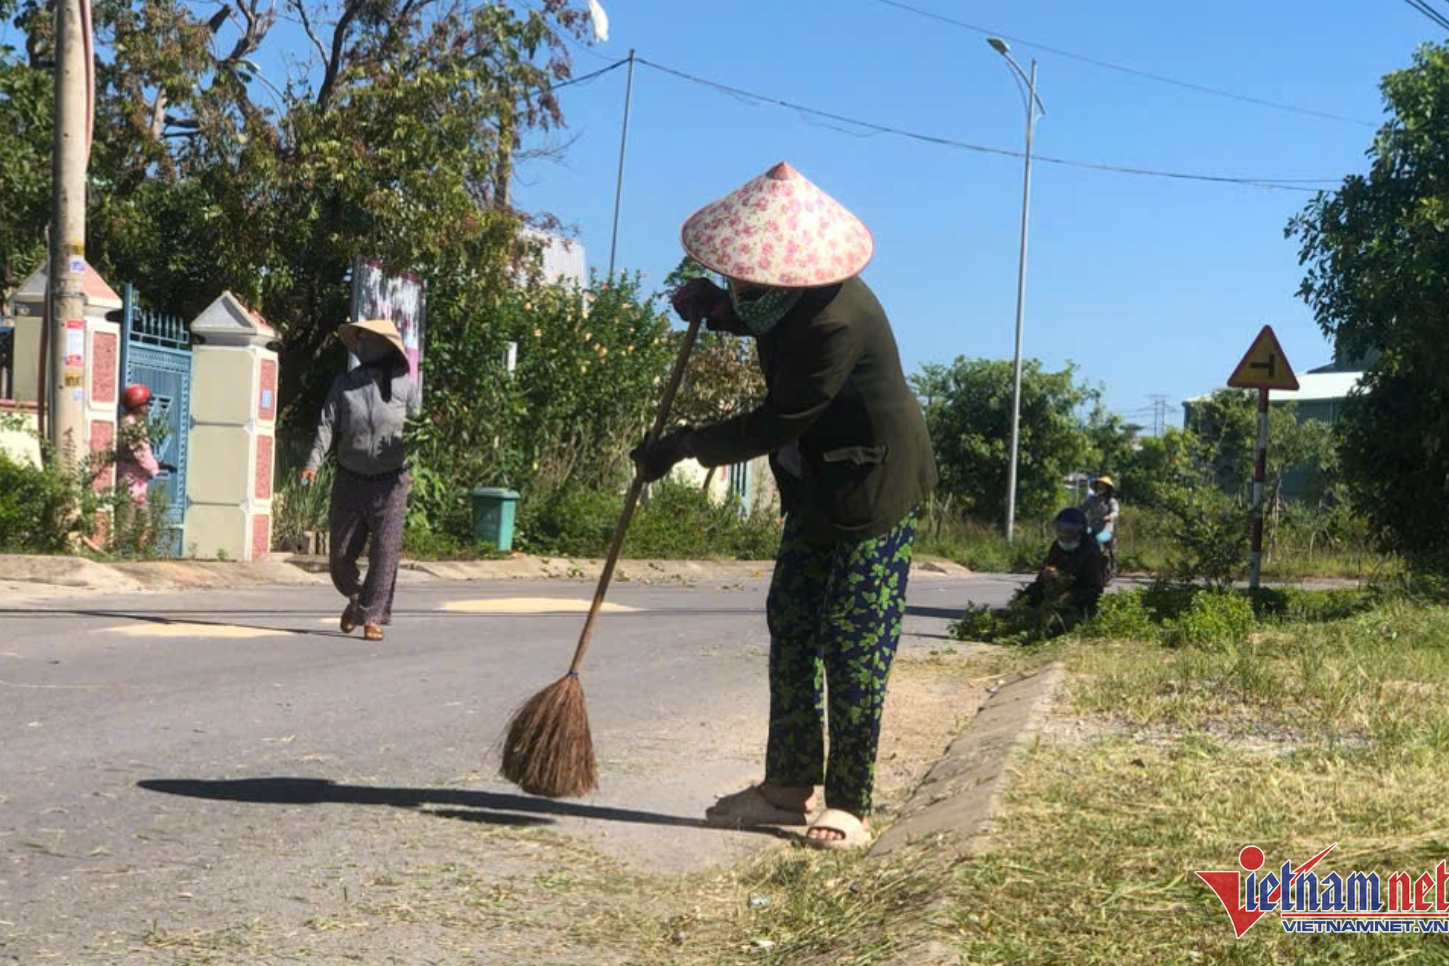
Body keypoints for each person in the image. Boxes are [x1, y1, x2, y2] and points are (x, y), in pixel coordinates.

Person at [630, 161, 938, 851]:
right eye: (737, 276)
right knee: (793, 622)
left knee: (853, 640)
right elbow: (763, 319)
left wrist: (682, 444)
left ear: (792, 268)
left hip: (871, 487)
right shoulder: (780, 300)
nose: (741, 284)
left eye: (747, 279)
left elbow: (778, 419)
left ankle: (851, 803)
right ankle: (787, 786)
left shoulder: (836, 318)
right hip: (814, 488)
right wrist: (716, 311)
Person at [301, 319, 421, 642]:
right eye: (361, 338)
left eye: (369, 338)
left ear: (386, 345)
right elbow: (327, 425)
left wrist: (414, 468)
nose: (362, 344)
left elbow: (420, 430)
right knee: (339, 557)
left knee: (385, 551)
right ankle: (358, 600)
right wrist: (313, 463)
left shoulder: (406, 386)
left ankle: (372, 617)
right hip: (349, 478)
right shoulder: (345, 384)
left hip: (391, 481)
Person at [1022, 507, 1108, 621]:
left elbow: (1096, 592)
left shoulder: (1091, 553)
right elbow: (1041, 578)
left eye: (1069, 531)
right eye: (1060, 529)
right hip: (1057, 593)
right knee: (1031, 592)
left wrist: (1071, 596)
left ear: (1079, 532)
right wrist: (1045, 574)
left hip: (1079, 599)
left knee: (1060, 620)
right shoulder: (1056, 546)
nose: (1063, 535)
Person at [1080, 475, 1120, 578]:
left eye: (1103, 486)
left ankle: (1107, 567)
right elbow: (1081, 509)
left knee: (1097, 540)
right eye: (1099, 486)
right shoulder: (1091, 500)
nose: (1100, 488)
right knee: (1081, 539)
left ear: (1108, 488)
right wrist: (1073, 514)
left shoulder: (1111, 501)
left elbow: (1115, 512)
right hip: (1092, 527)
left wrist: (1109, 516)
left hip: (1106, 530)